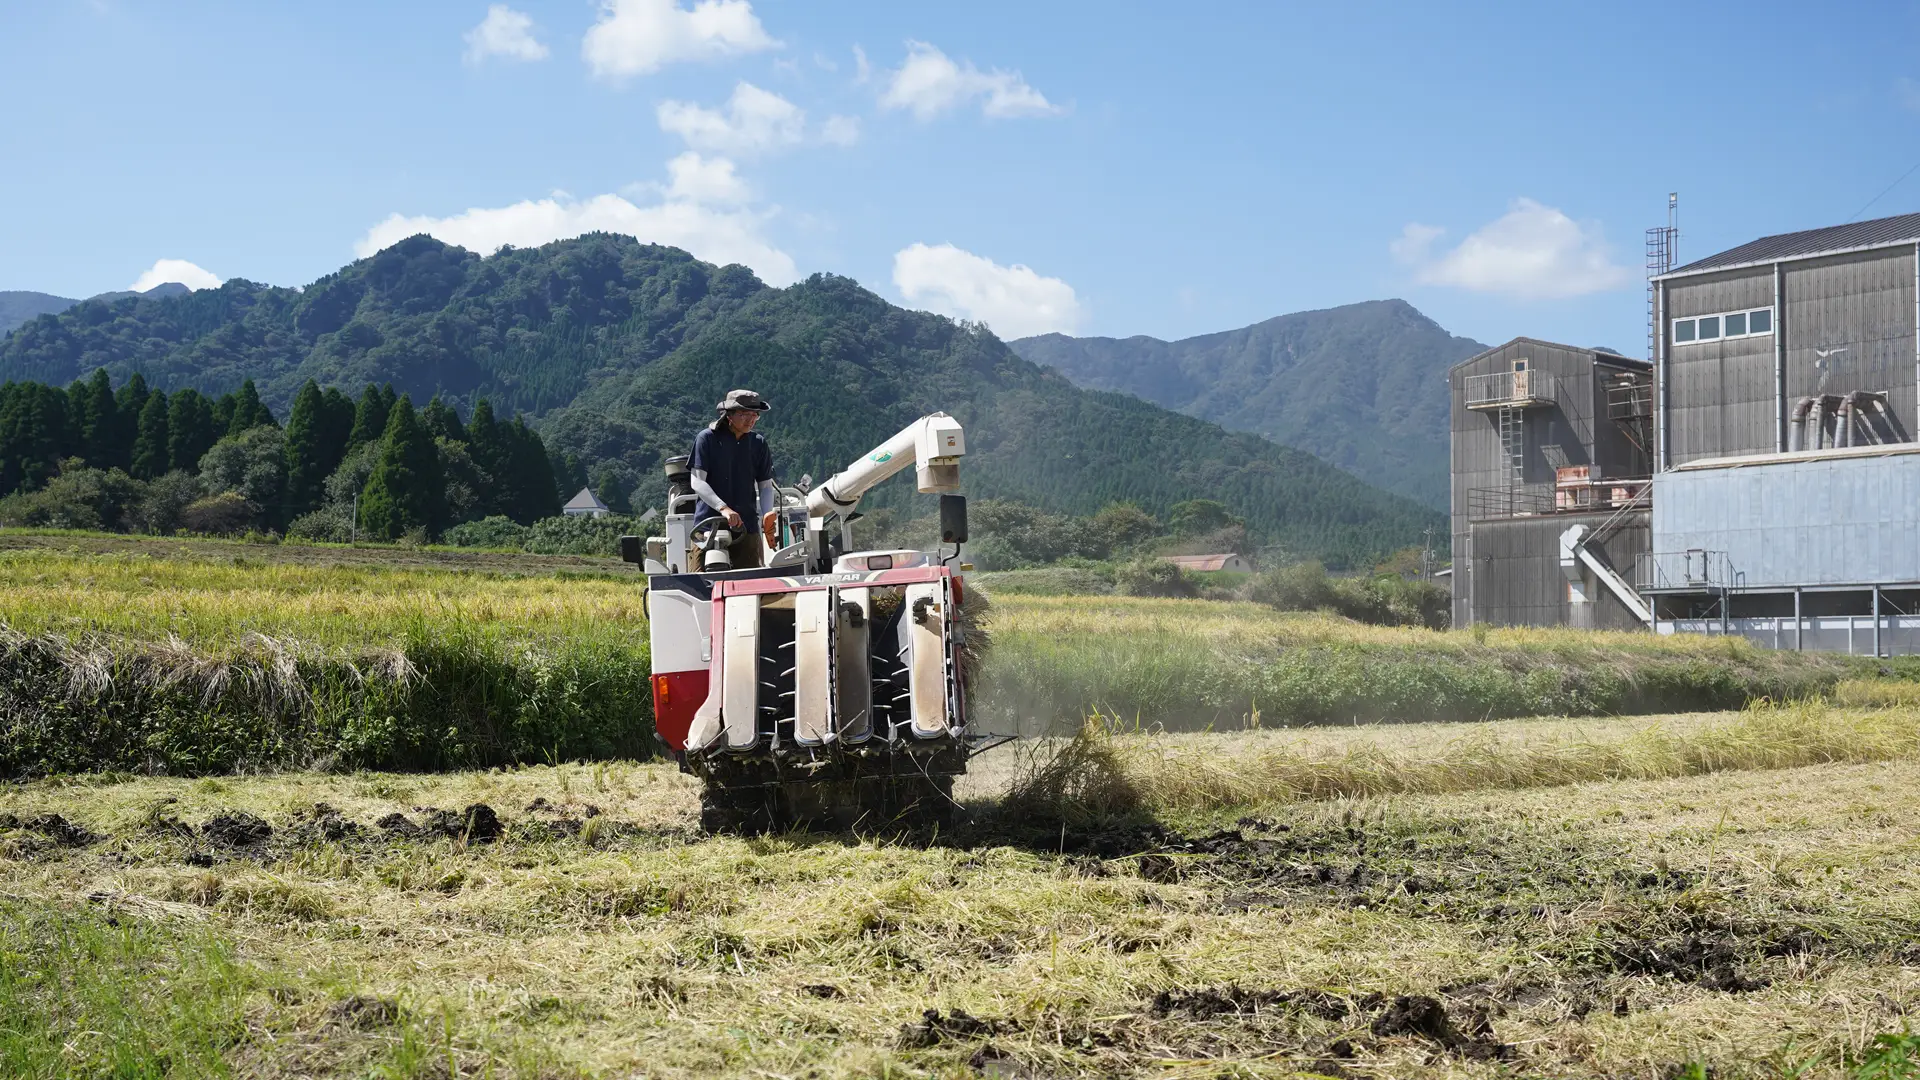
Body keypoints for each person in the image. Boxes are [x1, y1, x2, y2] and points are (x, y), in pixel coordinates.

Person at [688, 389, 778, 568]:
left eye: (755, 415)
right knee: (699, 583)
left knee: (751, 585)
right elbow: (697, 481)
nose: (750, 419)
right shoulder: (707, 438)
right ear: (729, 415)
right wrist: (724, 508)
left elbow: (766, 485)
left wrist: (767, 514)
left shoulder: (758, 443)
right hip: (708, 526)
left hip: (747, 526)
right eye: (744, 414)